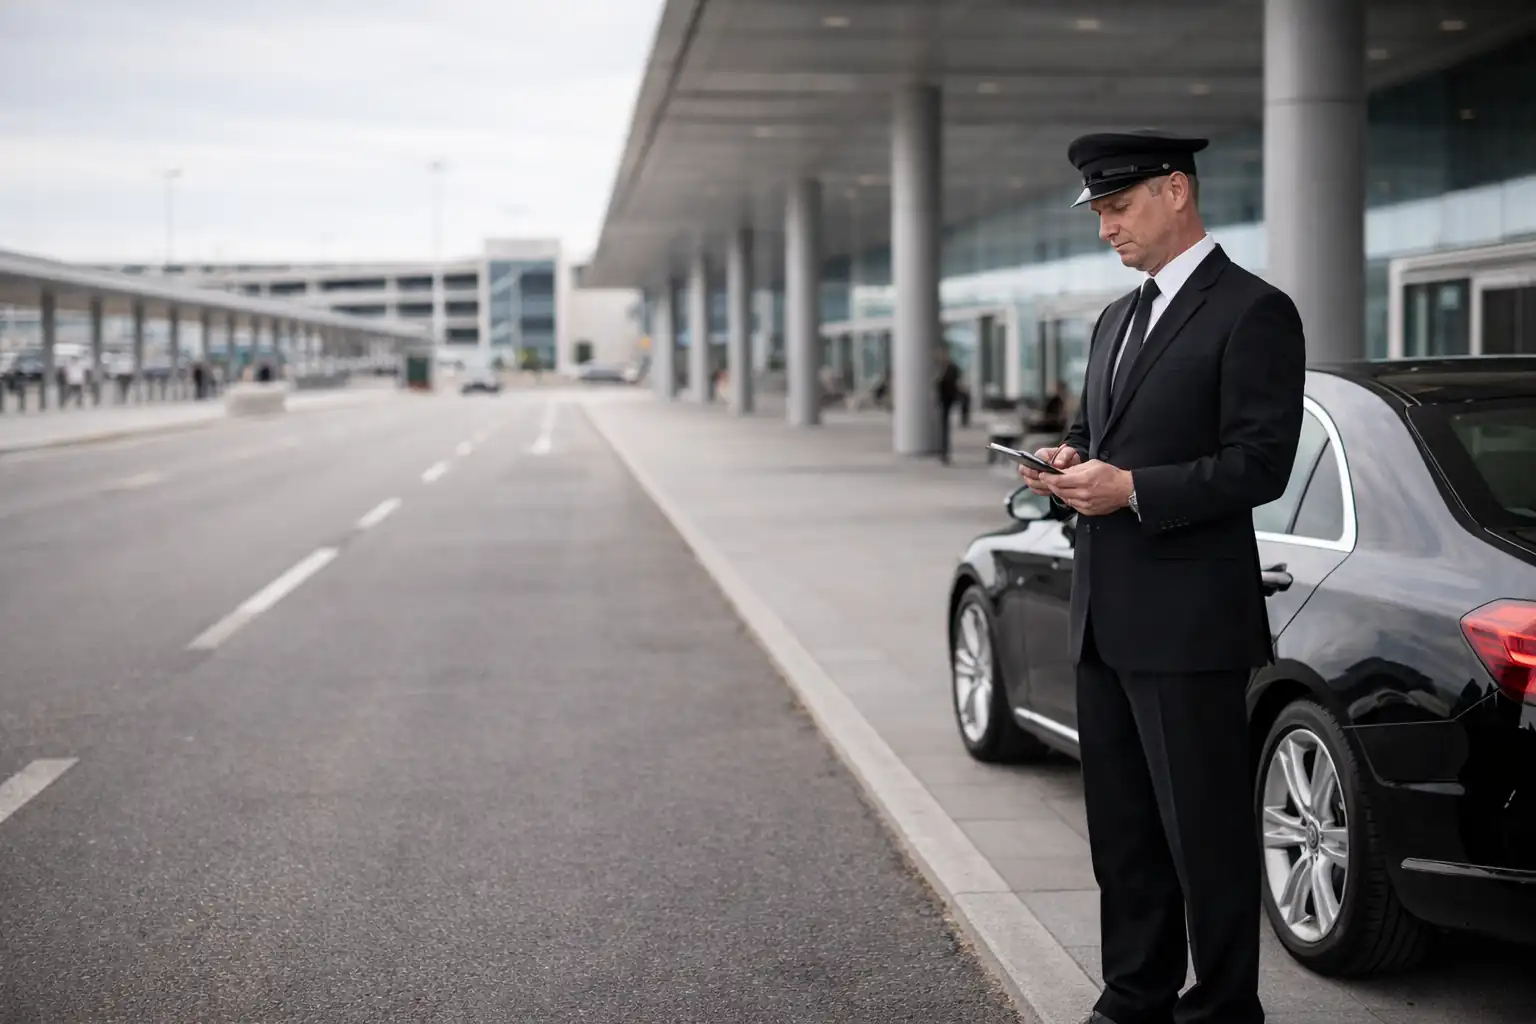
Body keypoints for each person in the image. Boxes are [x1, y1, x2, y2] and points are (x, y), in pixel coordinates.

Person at [1018, 130, 1306, 1024]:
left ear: (1175, 191)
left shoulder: (1254, 311)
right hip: (1104, 614)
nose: (1105, 226)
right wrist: (1069, 463)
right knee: (1126, 835)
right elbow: (1102, 441)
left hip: (1188, 625)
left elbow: (1261, 465)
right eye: (1098, 211)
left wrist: (1132, 488)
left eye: (1117, 206)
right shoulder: (1115, 319)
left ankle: (1223, 1009)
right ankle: (1134, 996)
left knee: (1203, 836)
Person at [934, 350, 960, 464]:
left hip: (947, 400)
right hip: (943, 401)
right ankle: (943, 452)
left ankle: (944, 452)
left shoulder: (951, 369)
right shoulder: (941, 369)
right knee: (943, 427)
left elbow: (950, 383)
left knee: (945, 428)